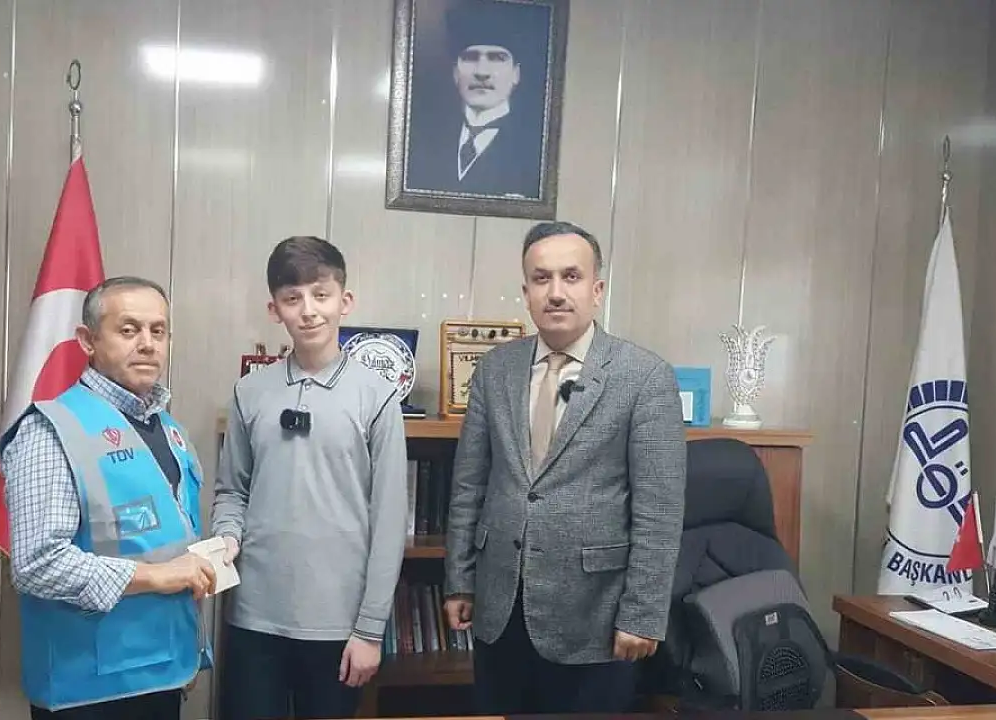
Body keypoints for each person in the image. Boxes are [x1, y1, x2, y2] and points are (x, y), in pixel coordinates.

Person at [443, 221, 687, 714]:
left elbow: (659, 511)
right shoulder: (495, 369)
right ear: (526, 293)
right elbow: (469, 485)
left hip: (594, 616)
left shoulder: (645, 377)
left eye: (571, 276)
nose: (555, 292)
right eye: (541, 278)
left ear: (597, 290)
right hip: (500, 608)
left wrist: (642, 615)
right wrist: (460, 581)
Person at [1, 276, 216, 720]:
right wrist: (157, 577)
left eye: (158, 331)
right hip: (89, 690)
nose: (147, 344)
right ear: (88, 340)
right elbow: (37, 564)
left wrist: (191, 646)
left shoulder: (171, 431)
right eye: (128, 329)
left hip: (165, 671)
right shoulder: (50, 430)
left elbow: (175, 542)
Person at [213, 236, 408, 720]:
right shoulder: (249, 392)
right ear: (274, 309)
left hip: (338, 625)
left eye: (321, 295)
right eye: (292, 297)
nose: (308, 310)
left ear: (345, 300)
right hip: (254, 617)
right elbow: (232, 490)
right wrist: (227, 537)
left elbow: (388, 522)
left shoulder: (377, 396)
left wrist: (369, 630)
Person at [404, 2, 545, 198]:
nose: (482, 72)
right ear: (455, 73)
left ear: (516, 74)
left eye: (497, 58)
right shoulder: (419, 144)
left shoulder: (536, 150)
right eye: (470, 57)